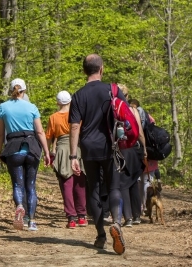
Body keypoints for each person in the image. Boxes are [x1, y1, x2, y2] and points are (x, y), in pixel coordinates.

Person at [69, 54, 126, 255]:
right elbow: (124, 117)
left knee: (93, 189)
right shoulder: (113, 90)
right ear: (101, 69)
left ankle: (101, 234)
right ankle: (117, 223)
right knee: (114, 187)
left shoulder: (77, 95)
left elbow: (75, 126)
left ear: (84, 71)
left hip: (88, 148)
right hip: (110, 146)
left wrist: (73, 156)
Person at [0, 78, 51, 231]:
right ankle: (32, 222)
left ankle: (20, 206)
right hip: (32, 148)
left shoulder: (3, 107)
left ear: (11, 89)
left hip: (13, 148)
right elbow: (39, 131)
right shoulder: (32, 107)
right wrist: (46, 151)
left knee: (17, 184)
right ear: (24, 90)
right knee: (31, 186)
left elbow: (0, 133)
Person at [45, 91, 88, 229]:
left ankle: (71, 218)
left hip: (62, 149)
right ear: (70, 101)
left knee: (66, 185)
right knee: (80, 184)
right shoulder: (77, 115)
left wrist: (47, 153)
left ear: (58, 102)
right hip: (77, 148)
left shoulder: (53, 117)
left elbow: (49, 137)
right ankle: (82, 216)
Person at [117, 85, 146, 227]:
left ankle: (127, 217)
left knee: (123, 182)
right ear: (127, 96)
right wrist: (144, 148)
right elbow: (139, 132)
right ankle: (136, 216)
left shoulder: (113, 108)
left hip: (120, 149)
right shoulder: (133, 110)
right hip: (134, 148)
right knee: (134, 181)